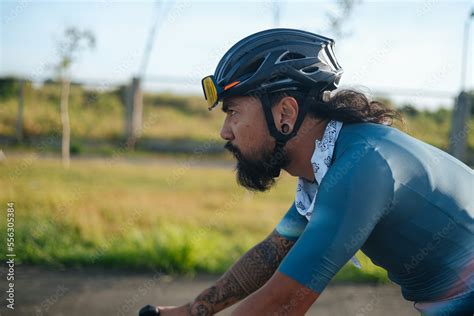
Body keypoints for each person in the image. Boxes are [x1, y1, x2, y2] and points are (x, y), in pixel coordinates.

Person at [139, 28, 474, 316]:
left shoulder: (362, 166)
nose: (225, 132)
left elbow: (282, 304)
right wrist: (194, 310)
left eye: (233, 112)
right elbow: (271, 254)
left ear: (285, 112)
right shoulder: (333, 164)